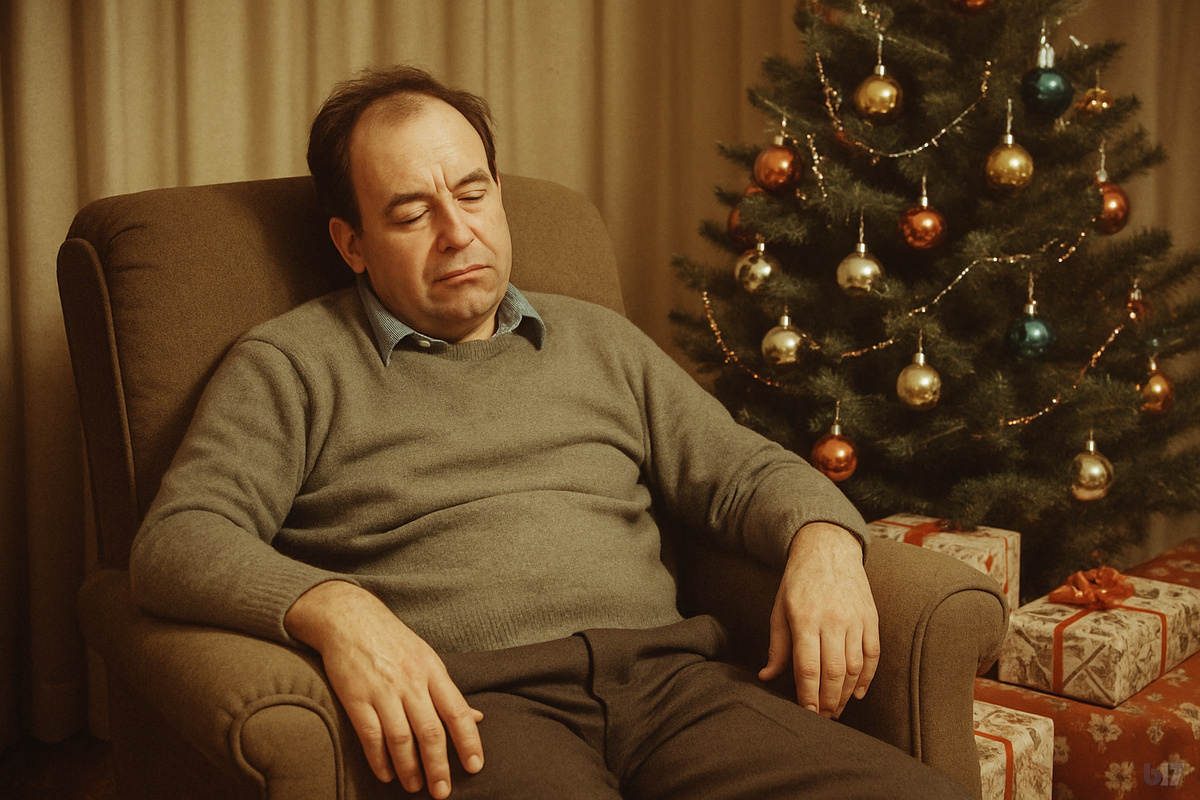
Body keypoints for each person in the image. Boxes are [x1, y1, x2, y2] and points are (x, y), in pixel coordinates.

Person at [130, 65, 972, 800]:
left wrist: (825, 541)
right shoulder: (291, 365)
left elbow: (741, 471)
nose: (458, 233)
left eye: (472, 194)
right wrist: (335, 610)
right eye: (412, 213)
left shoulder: (601, 341)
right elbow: (179, 538)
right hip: (473, 708)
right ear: (352, 243)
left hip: (674, 689)